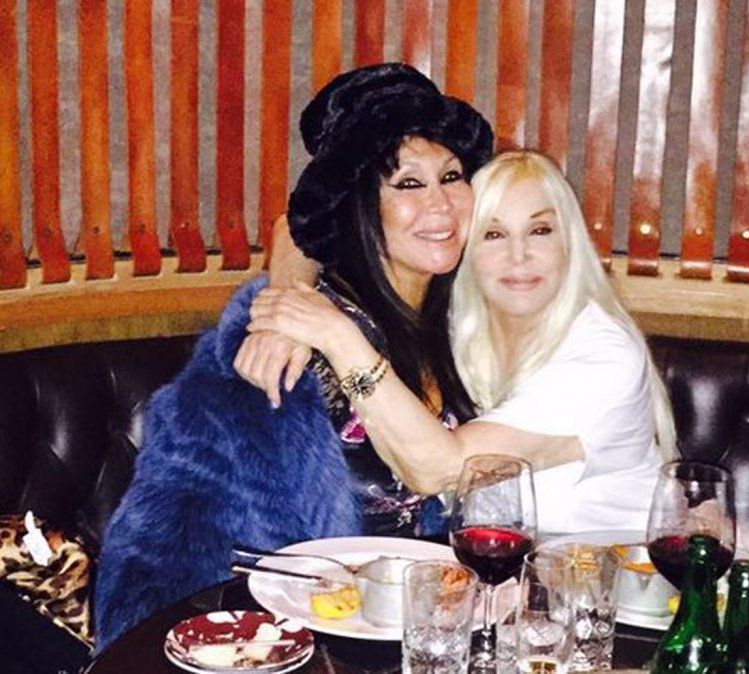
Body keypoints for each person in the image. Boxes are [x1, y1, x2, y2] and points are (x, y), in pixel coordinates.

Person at [93, 63, 493, 650]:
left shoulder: (466, 322)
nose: (440, 204)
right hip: (284, 639)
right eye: (408, 184)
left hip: (420, 633)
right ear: (359, 206)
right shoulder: (286, 340)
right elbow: (170, 522)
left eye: (452, 176)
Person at [244, 150, 678, 535]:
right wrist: (281, 315)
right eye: (493, 234)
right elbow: (293, 230)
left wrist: (339, 337)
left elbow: (442, 469)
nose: (519, 256)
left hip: (620, 586)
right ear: (465, 248)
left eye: (541, 230)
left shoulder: (604, 355)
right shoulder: (461, 322)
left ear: (571, 243)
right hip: (511, 583)